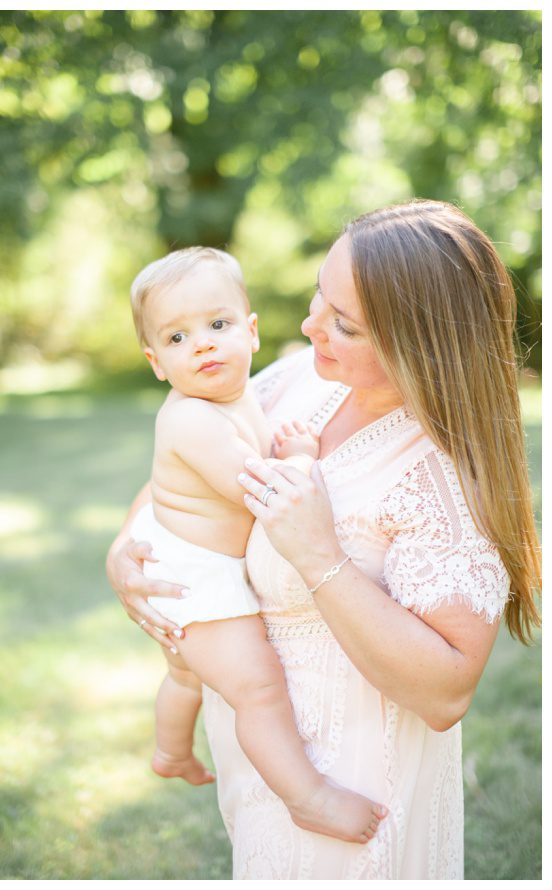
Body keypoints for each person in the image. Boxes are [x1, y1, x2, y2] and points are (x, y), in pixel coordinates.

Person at [107, 201, 541, 879]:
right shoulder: (299, 379)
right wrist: (124, 548)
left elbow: (447, 693)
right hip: (262, 762)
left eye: (343, 324)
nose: (311, 325)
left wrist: (321, 555)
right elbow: (185, 469)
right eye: (319, 295)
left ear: (418, 345)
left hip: (356, 785)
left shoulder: (443, 478)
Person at [125, 246, 387, 844]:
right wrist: (296, 458)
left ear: (250, 331)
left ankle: (169, 752)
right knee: (257, 688)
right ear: (157, 362)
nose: (203, 344)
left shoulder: (240, 396)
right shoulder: (191, 419)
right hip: (198, 580)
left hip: (191, 564)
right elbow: (256, 490)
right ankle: (307, 796)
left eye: (217, 326)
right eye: (177, 337)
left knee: (188, 675)